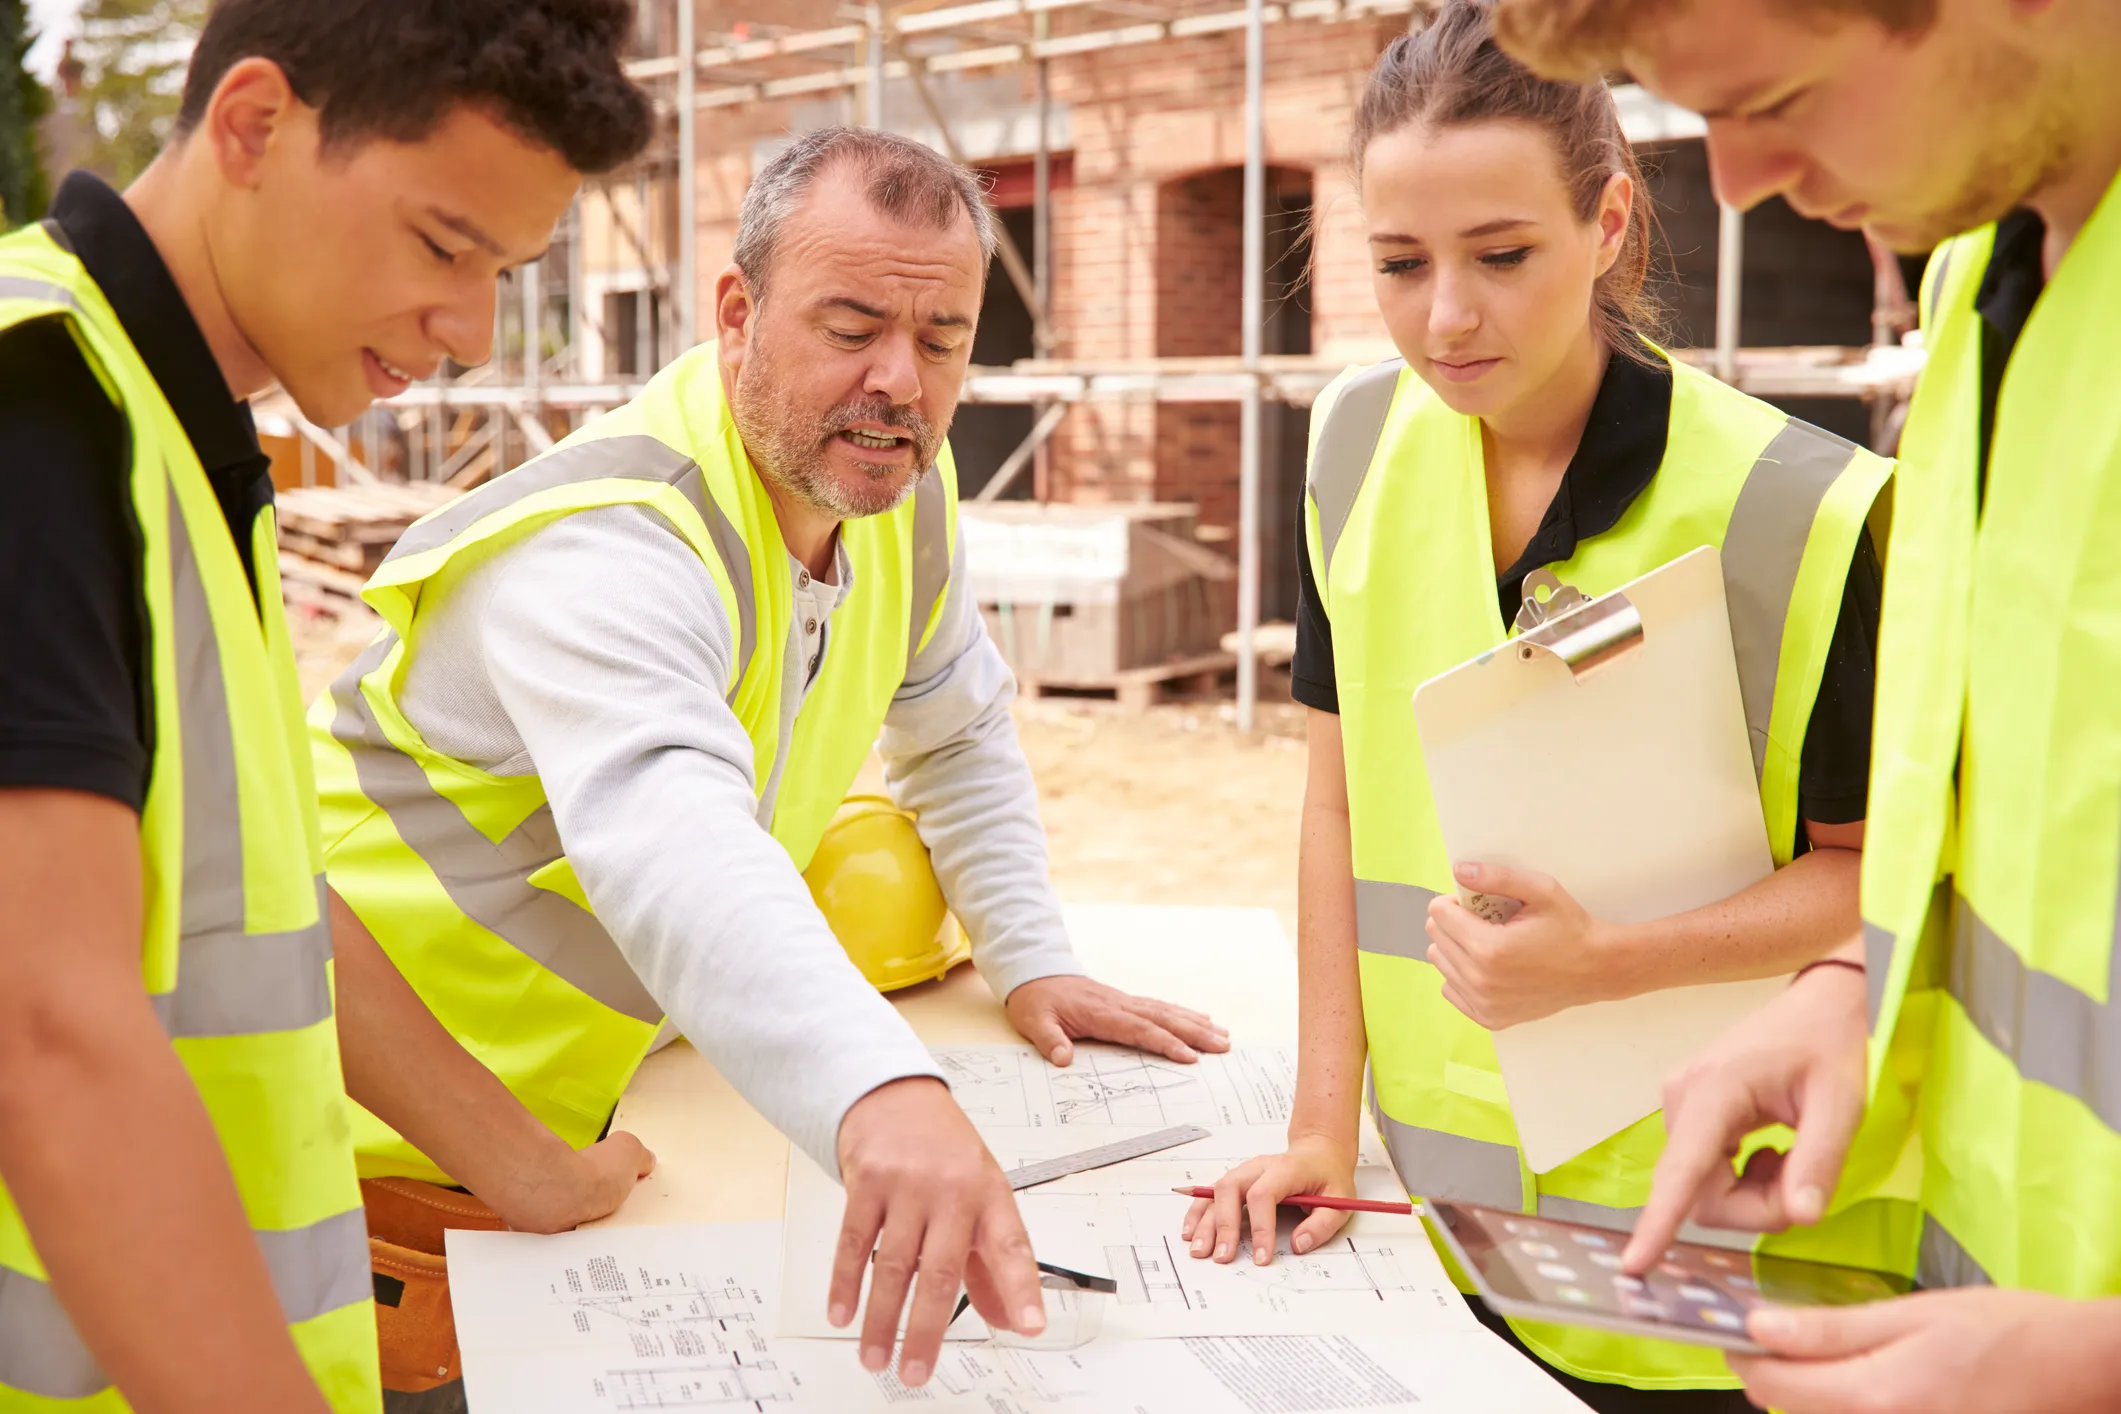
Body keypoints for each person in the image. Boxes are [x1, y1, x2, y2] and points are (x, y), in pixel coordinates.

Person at [308, 124, 1230, 1395]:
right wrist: (882, 1096)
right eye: (850, 328)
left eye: (944, 340)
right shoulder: (608, 545)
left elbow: (955, 727)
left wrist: (1031, 955)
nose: (901, 381)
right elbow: (672, 841)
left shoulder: (898, 486)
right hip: (368, 1153)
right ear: (737, 315)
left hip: (582, 1133)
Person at [1179, 6, 1908, 1410]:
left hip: (1706, 1266)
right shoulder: (1347, 445)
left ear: (1610, 223)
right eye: (1398, 264)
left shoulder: (1800, 512)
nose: (1446, 317)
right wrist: (1322, 1127)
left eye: (1502, 257)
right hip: (1437, 1250)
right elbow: (1334, 804)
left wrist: (1608, 961)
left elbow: (1873, 878)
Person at [0, 2, 654, 1409]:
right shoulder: (37, 409)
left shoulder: (174, 427)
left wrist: (522, 1168)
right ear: (253, 126)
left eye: (509, 271)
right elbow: (47, 1035)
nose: (471, 329)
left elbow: (265, 898)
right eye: (441, 244)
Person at [1483, 0, 2121, 1410]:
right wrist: (1850, 989)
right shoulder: (1978, 295)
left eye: (1775, 96)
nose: (1733, 184)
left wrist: (2093, 1364)